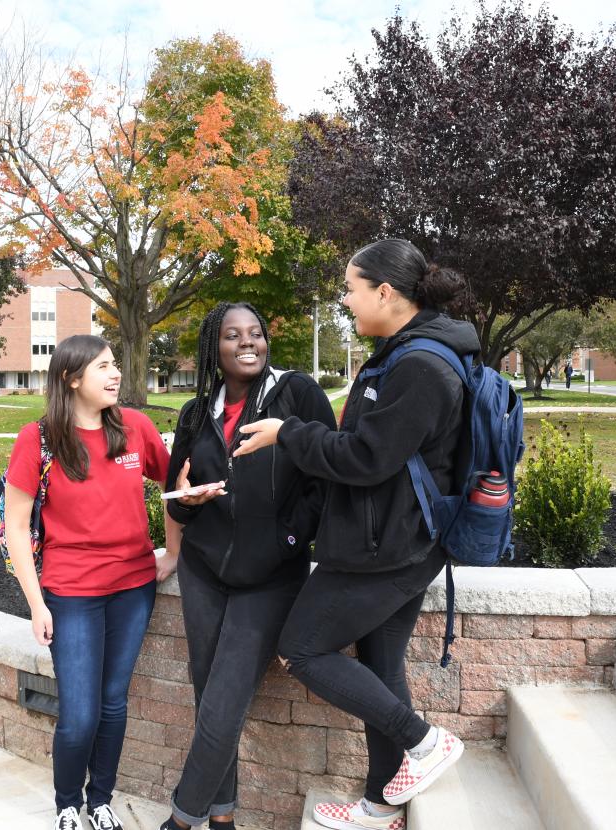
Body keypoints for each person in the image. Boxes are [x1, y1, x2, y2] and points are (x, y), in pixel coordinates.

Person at [234, 240, 478, 829]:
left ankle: (425, 743)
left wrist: (286, 433)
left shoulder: (421, 365)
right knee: (380, 665)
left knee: (304, 648)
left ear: (385, 292)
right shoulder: (408, 353)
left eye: (350, 288)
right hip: (399, 537)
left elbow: (367, 458)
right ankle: (379, 808)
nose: (345, 300)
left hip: (385, 547)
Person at [157, 302, 337, 830]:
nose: (247, 343)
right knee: (207, 692)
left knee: (224, 701)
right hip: (203, 570)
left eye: (255, 333)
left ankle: (180, 819)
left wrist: (289, 537)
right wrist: (185, 501)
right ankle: (223, 818)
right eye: (233, 336)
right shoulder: (196, 413)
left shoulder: (296, 394)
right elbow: (173, 495)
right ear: (214, 347)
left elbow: (325, 476)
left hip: (269, 575)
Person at [3, 334, 182, 830]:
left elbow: (174, 487)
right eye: (103, 367)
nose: (115, 374)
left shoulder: (135, 427)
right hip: (72, 592)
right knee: (80, 714)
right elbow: (16, 526)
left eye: (115, 364)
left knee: (112, 703)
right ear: (71, 378)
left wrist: (174, 551)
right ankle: (66, 805)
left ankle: (100, 798)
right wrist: (38, 605)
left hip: (132, 587)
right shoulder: (37, 439)